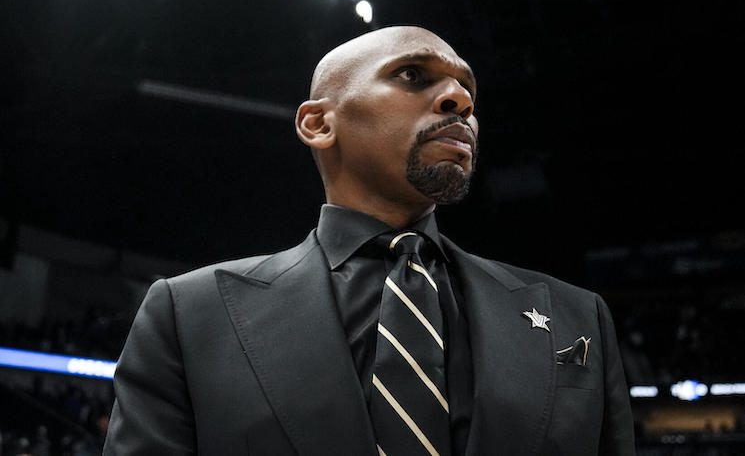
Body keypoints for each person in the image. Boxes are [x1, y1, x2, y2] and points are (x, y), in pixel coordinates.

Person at [104, 26, 635, 455]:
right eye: (413, 75)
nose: (460, 100)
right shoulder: (188, 315)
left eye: (467, 90)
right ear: (318, 124)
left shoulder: (578, 317)